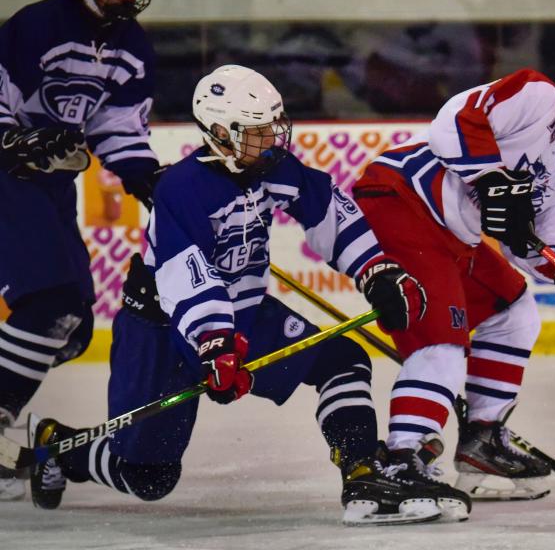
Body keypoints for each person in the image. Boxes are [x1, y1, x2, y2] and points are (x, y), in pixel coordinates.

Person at [26, 65, 469, 525]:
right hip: (164, 329)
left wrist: (375, 271)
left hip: (246, 315)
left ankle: (360, 470)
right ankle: (57, 448)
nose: (273, 141)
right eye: (258, 133)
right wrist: (216, 343)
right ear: (220, 133)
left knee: (342, 360)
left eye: (274, 128)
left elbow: (329, 212)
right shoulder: (182, 188)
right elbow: (188, 277)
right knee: (148, 476)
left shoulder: (273, 168)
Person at [352, 51, 555, 500]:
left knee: (515, 312)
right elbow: (452, 123)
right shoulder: (538, 97)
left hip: (454, 234)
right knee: (442, 341)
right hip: (402, 200)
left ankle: (481, 440)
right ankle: (400, 460)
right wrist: (491, 178)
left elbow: (533, 241)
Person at [0, 0, 164, 501]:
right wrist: (14, 139)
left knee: (71, 328)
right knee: (49, 306)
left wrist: (145, 175)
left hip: (49, 187)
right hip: (6, 178)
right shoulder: (38, 25)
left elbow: (117, 127)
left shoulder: (131, 44)